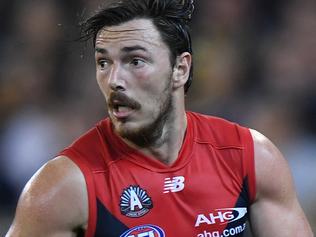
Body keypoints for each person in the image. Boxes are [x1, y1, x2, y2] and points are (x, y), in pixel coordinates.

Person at [6, 0, 313, 236]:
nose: (114, 79)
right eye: (103, 62)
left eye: (135, 60)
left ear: (181, 69)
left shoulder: (250, 156)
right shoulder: (61, 187)